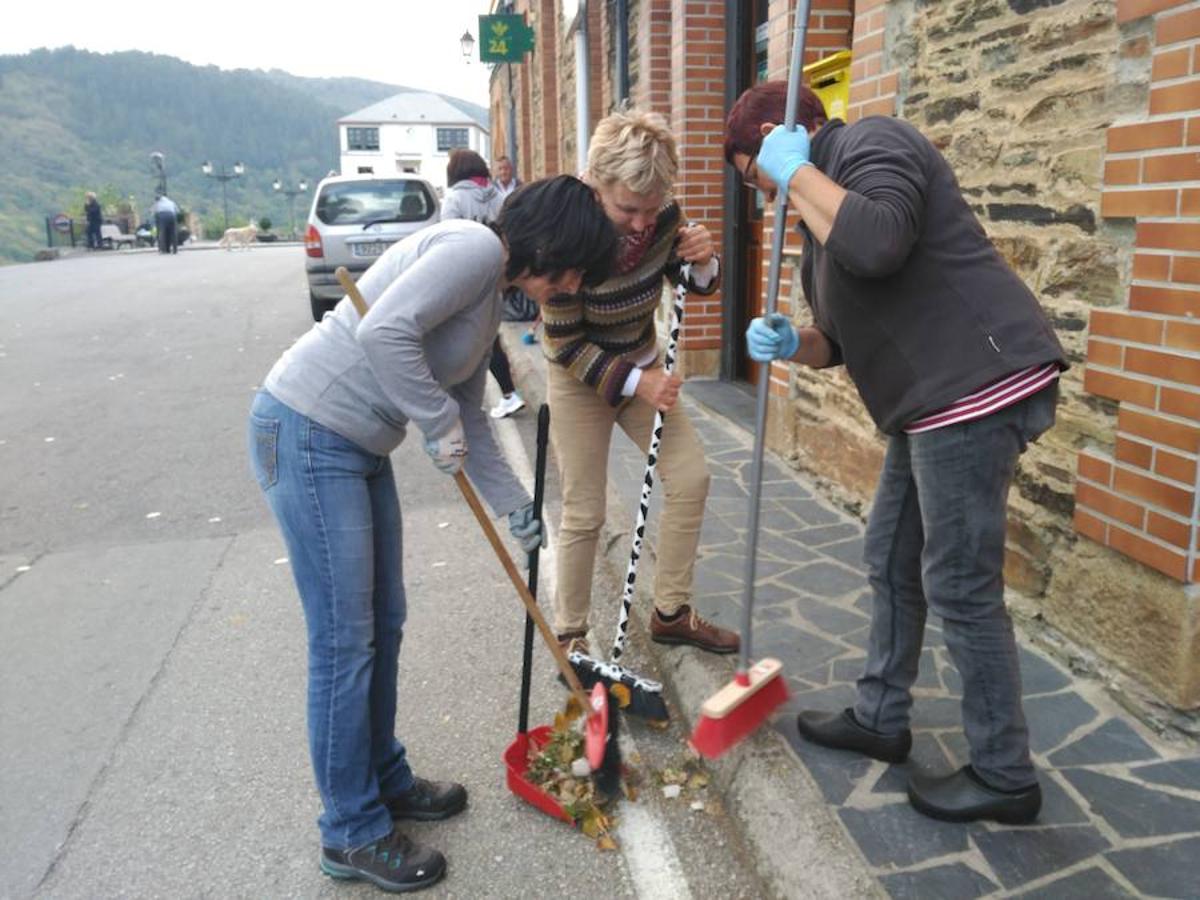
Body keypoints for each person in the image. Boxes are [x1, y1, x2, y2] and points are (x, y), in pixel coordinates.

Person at [248, 175, 616, 893]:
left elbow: (468, 411)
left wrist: (516, 506)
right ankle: (350, 832)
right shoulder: (475, 248)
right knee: (344, 640)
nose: (571, 285)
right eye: (573, 269)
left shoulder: (487, 296)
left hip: (353, 444)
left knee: (385, 621)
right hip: (306, 430)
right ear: (551, 246)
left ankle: (384, 780)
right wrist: (435, 423)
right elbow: (383, 332)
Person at [725, 82, 1067, 825]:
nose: (766, 196)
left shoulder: (874, 144)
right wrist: (794, 345)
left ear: (795, 133)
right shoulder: (818, 212)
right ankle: (882, 719)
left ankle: (1006, 776)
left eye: (758, 176)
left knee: (959, 582)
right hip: (929, 406)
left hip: (976, 383)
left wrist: (796, 172)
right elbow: (839, 342)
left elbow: (879, 242)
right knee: (889, 554)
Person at [542, 109, 739, 659]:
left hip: (641, 365)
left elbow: (693, 282)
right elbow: (565, 343)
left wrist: (703, 261)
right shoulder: (568, 235)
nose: (641, 223)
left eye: (651, 210)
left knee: (691, 477)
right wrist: (636, 382)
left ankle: (670, 612)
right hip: (583, 378)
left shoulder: (661, 216)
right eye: (628, 208)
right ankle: (571, 633)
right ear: (596, 184)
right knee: (585, 509)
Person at [437, 150, 527, 418]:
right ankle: (508, 394)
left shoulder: (454, 200)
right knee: (488, 336)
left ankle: (477, 399)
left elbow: (448, 244)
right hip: (497, 277)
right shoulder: (498, 197)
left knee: (474, 339)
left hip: (466, 278)